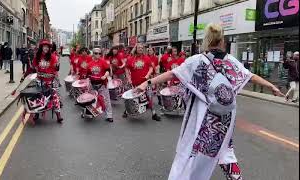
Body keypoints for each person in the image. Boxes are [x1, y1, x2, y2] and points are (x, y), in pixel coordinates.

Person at [135, 23, 284, 180]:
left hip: (202, 116)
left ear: (207, 40)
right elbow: (250, 76)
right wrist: (271, 86)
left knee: (192, 150)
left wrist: (147, 83)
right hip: (225, 117)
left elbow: (173, 74)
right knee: (225, 149)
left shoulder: (197, 61)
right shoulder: (231, 61)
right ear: (222, 41)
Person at [23, 39, 63, 123]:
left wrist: (57, 66)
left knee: (55, 98)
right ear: (41, 47)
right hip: (40, 81)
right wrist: (24, 76)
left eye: (47, 47)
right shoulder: (37, 57)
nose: (46, 48)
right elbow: (32, 68)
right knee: (38, 98)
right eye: (44, 46)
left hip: (50, 81)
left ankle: (58, 116)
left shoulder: (52, 57)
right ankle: (37, 114)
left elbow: (56, 68)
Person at [124, 43, 161, 121]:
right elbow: (126, 69)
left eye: (141, 48)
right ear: (136, 49)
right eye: (139, 48)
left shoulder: (146, 58)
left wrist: (147, 75)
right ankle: (126, 111)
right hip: (135, 82)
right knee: (132, 98)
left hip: (145, 82)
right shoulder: (131, 59)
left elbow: (151, 68)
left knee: (149, 97)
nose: (140, 49)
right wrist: (129, 79)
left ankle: (153, 114)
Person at [87, 48, 113, 122]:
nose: (98, 55)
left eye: (99, 53)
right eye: (96, 53)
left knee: (106, 100)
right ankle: (90, 113)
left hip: (102, 84)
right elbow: (88, 74)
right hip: (93, 84)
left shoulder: (103, 62)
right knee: (91, 100)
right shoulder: (90, 64)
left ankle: (109, 115)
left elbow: (107, 70)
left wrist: (105, 76)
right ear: (93, 54)